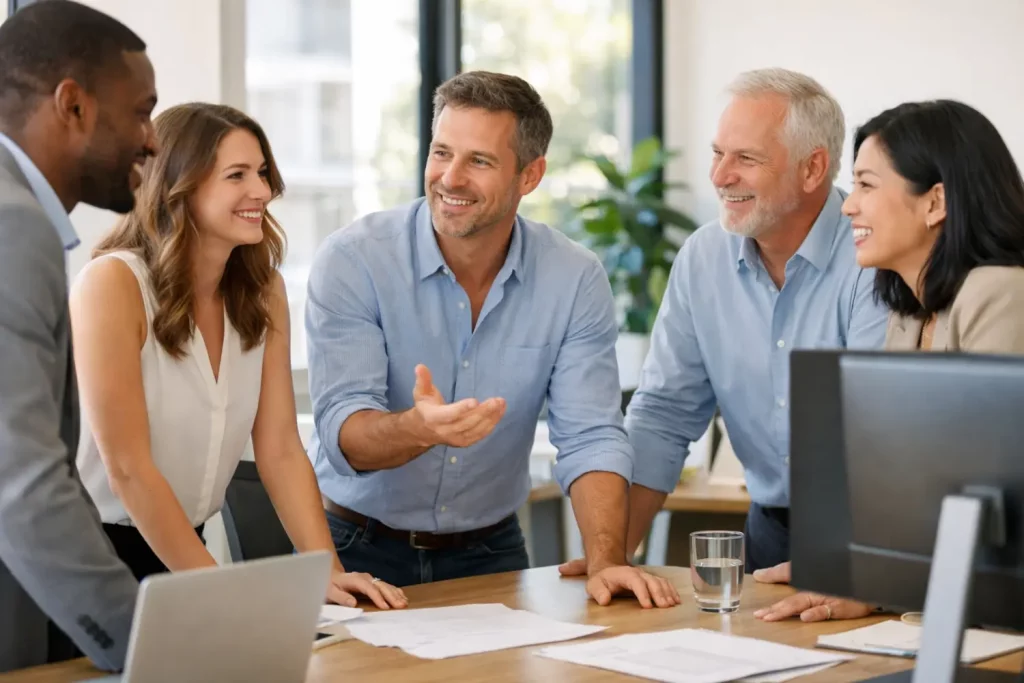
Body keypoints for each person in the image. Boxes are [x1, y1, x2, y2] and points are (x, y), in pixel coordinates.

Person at [305, 70, 679, 609]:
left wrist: (606, 560)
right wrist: (417, 429)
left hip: (491, 551)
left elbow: (591, 435)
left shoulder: (573, 277)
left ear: (530, 176)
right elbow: (343, 430)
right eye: (441, 152)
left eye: (478, 161)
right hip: (355, 550)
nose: (449, 178)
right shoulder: (354, 260)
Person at [70, 102, 406, 611]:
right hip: (95, 557)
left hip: (187, 548)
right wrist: (225, 594)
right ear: (179, 184)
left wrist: (327, 573)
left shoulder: (261, 290)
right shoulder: (113, 284)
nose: (263, 192)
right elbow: (128, 469)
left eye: (263, 173)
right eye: (237, 175)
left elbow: (279, 450)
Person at [559, 68, 889, 583]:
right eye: (718, 153)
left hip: (870, 534)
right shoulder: (702, 257)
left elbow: (882, 430)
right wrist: (611, 559)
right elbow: (665, 416)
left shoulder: (873, 253)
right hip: (767, 531)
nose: (719, 176)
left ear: (812, 169)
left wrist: (857, 568)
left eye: (746, 159)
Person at [752, 99, 1024, 622]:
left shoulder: (999, 293)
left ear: (936, 201)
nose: (848, 206)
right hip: (944, 612)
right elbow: (897, 485)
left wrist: (874, 583)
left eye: (867, 185)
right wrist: (852, 571)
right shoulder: (909, 310)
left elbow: (993, 506)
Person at [0, 1, 156, 672]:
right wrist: (151, 646)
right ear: (74, 107)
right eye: (142, 111)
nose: (152, 138)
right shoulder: (13, 225)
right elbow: (22, 482)